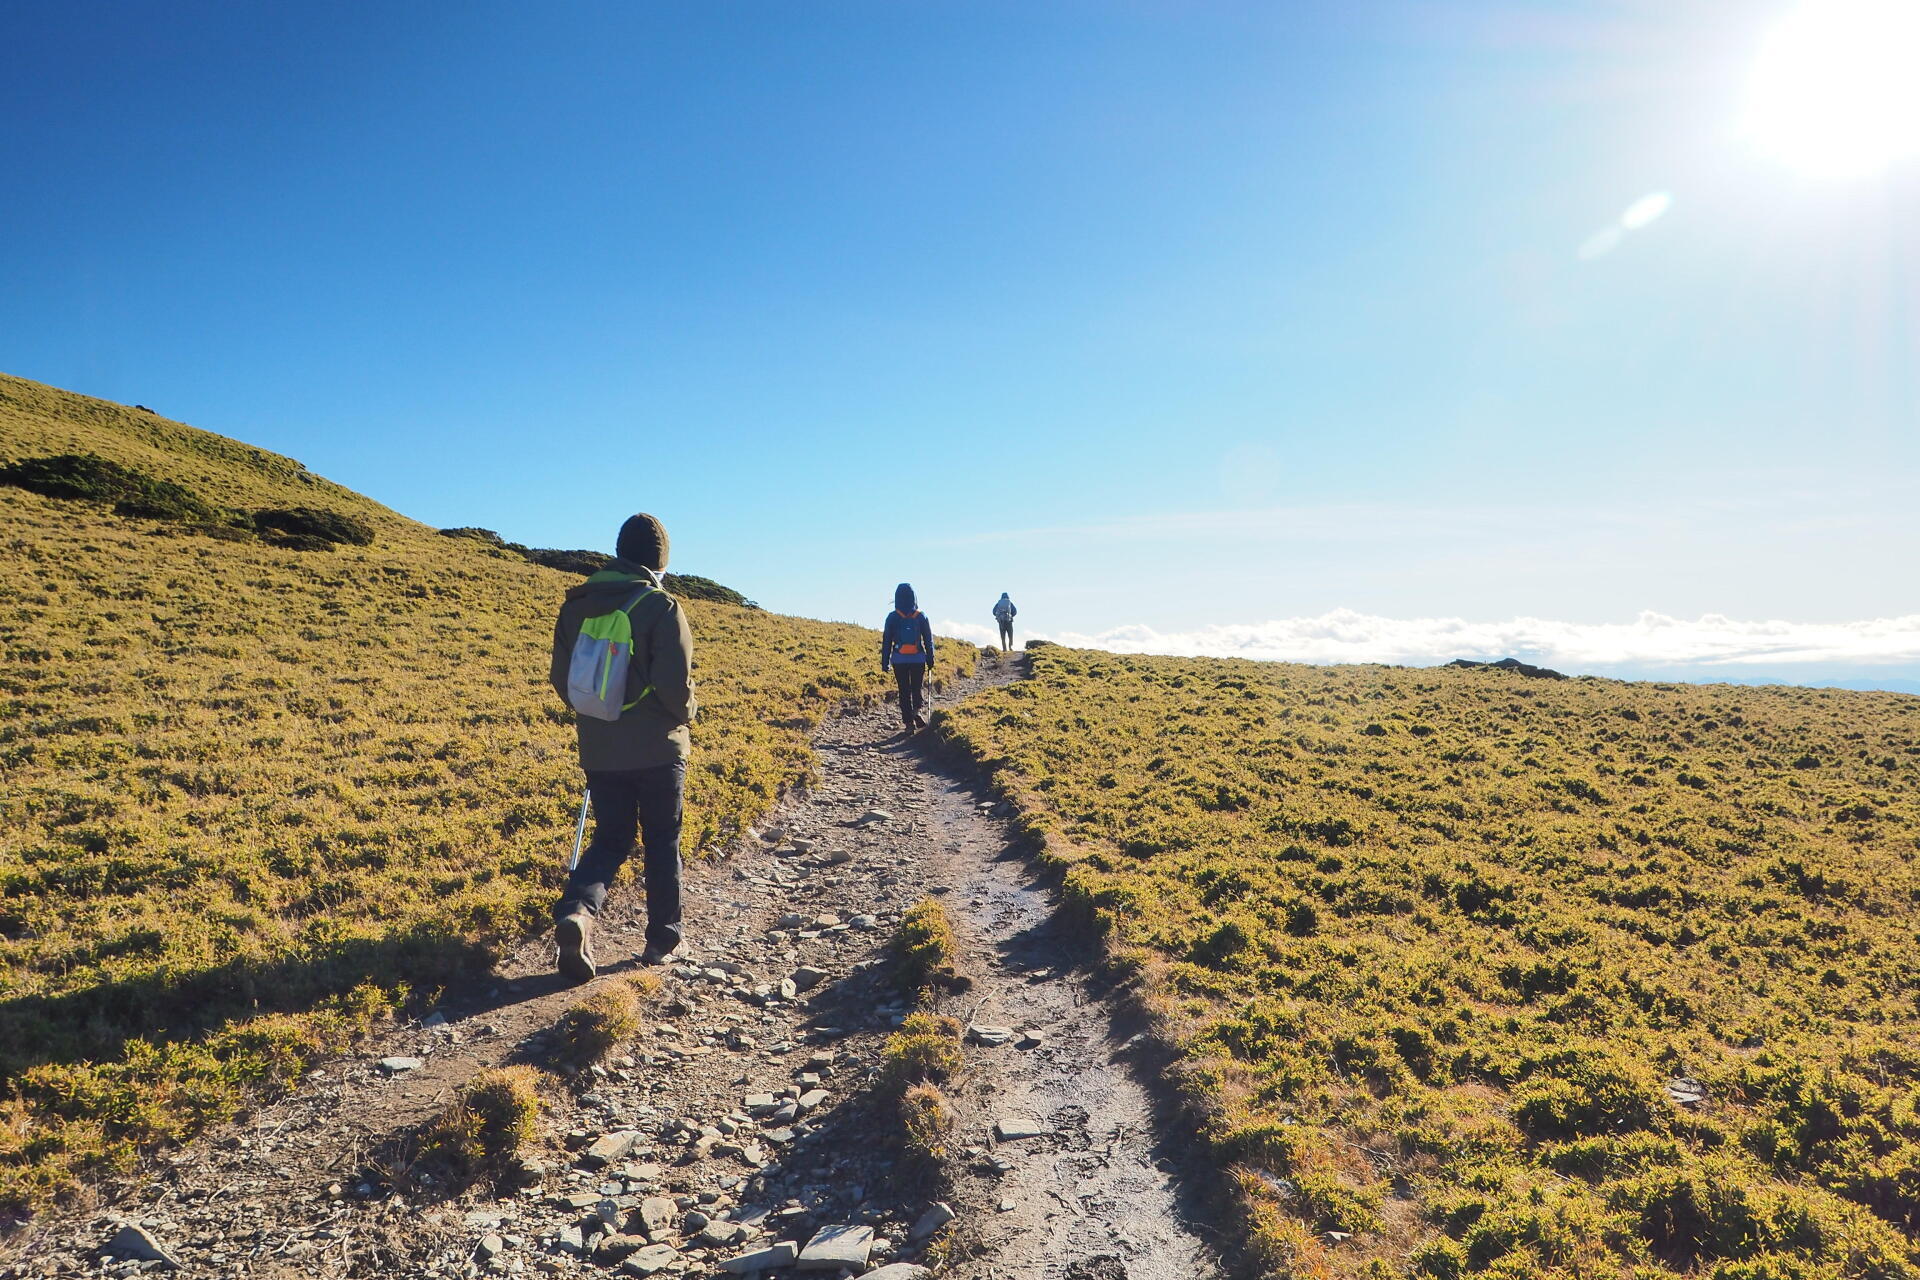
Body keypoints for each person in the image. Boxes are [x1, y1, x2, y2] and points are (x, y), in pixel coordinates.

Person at [547, 513, 697, 981]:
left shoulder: (576, 606)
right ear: (658, 561)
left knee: (611, 837)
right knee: (661, 839)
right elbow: (676, 686)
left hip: (599, 748)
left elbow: (563, 680)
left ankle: (578, 913)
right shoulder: (661, 606)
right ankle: (663, 939)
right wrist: (686, 715)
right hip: (657, 747)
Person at [881, 582, 936, 732]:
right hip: (918, 659)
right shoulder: (921, 616)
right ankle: (916, 711)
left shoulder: (892, 617)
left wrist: (885, 662)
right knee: (916, 688)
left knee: (903, 690)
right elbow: (928, 639)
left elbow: (887, 641)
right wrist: (930, 657)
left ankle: (908, 724)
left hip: (899, 660)